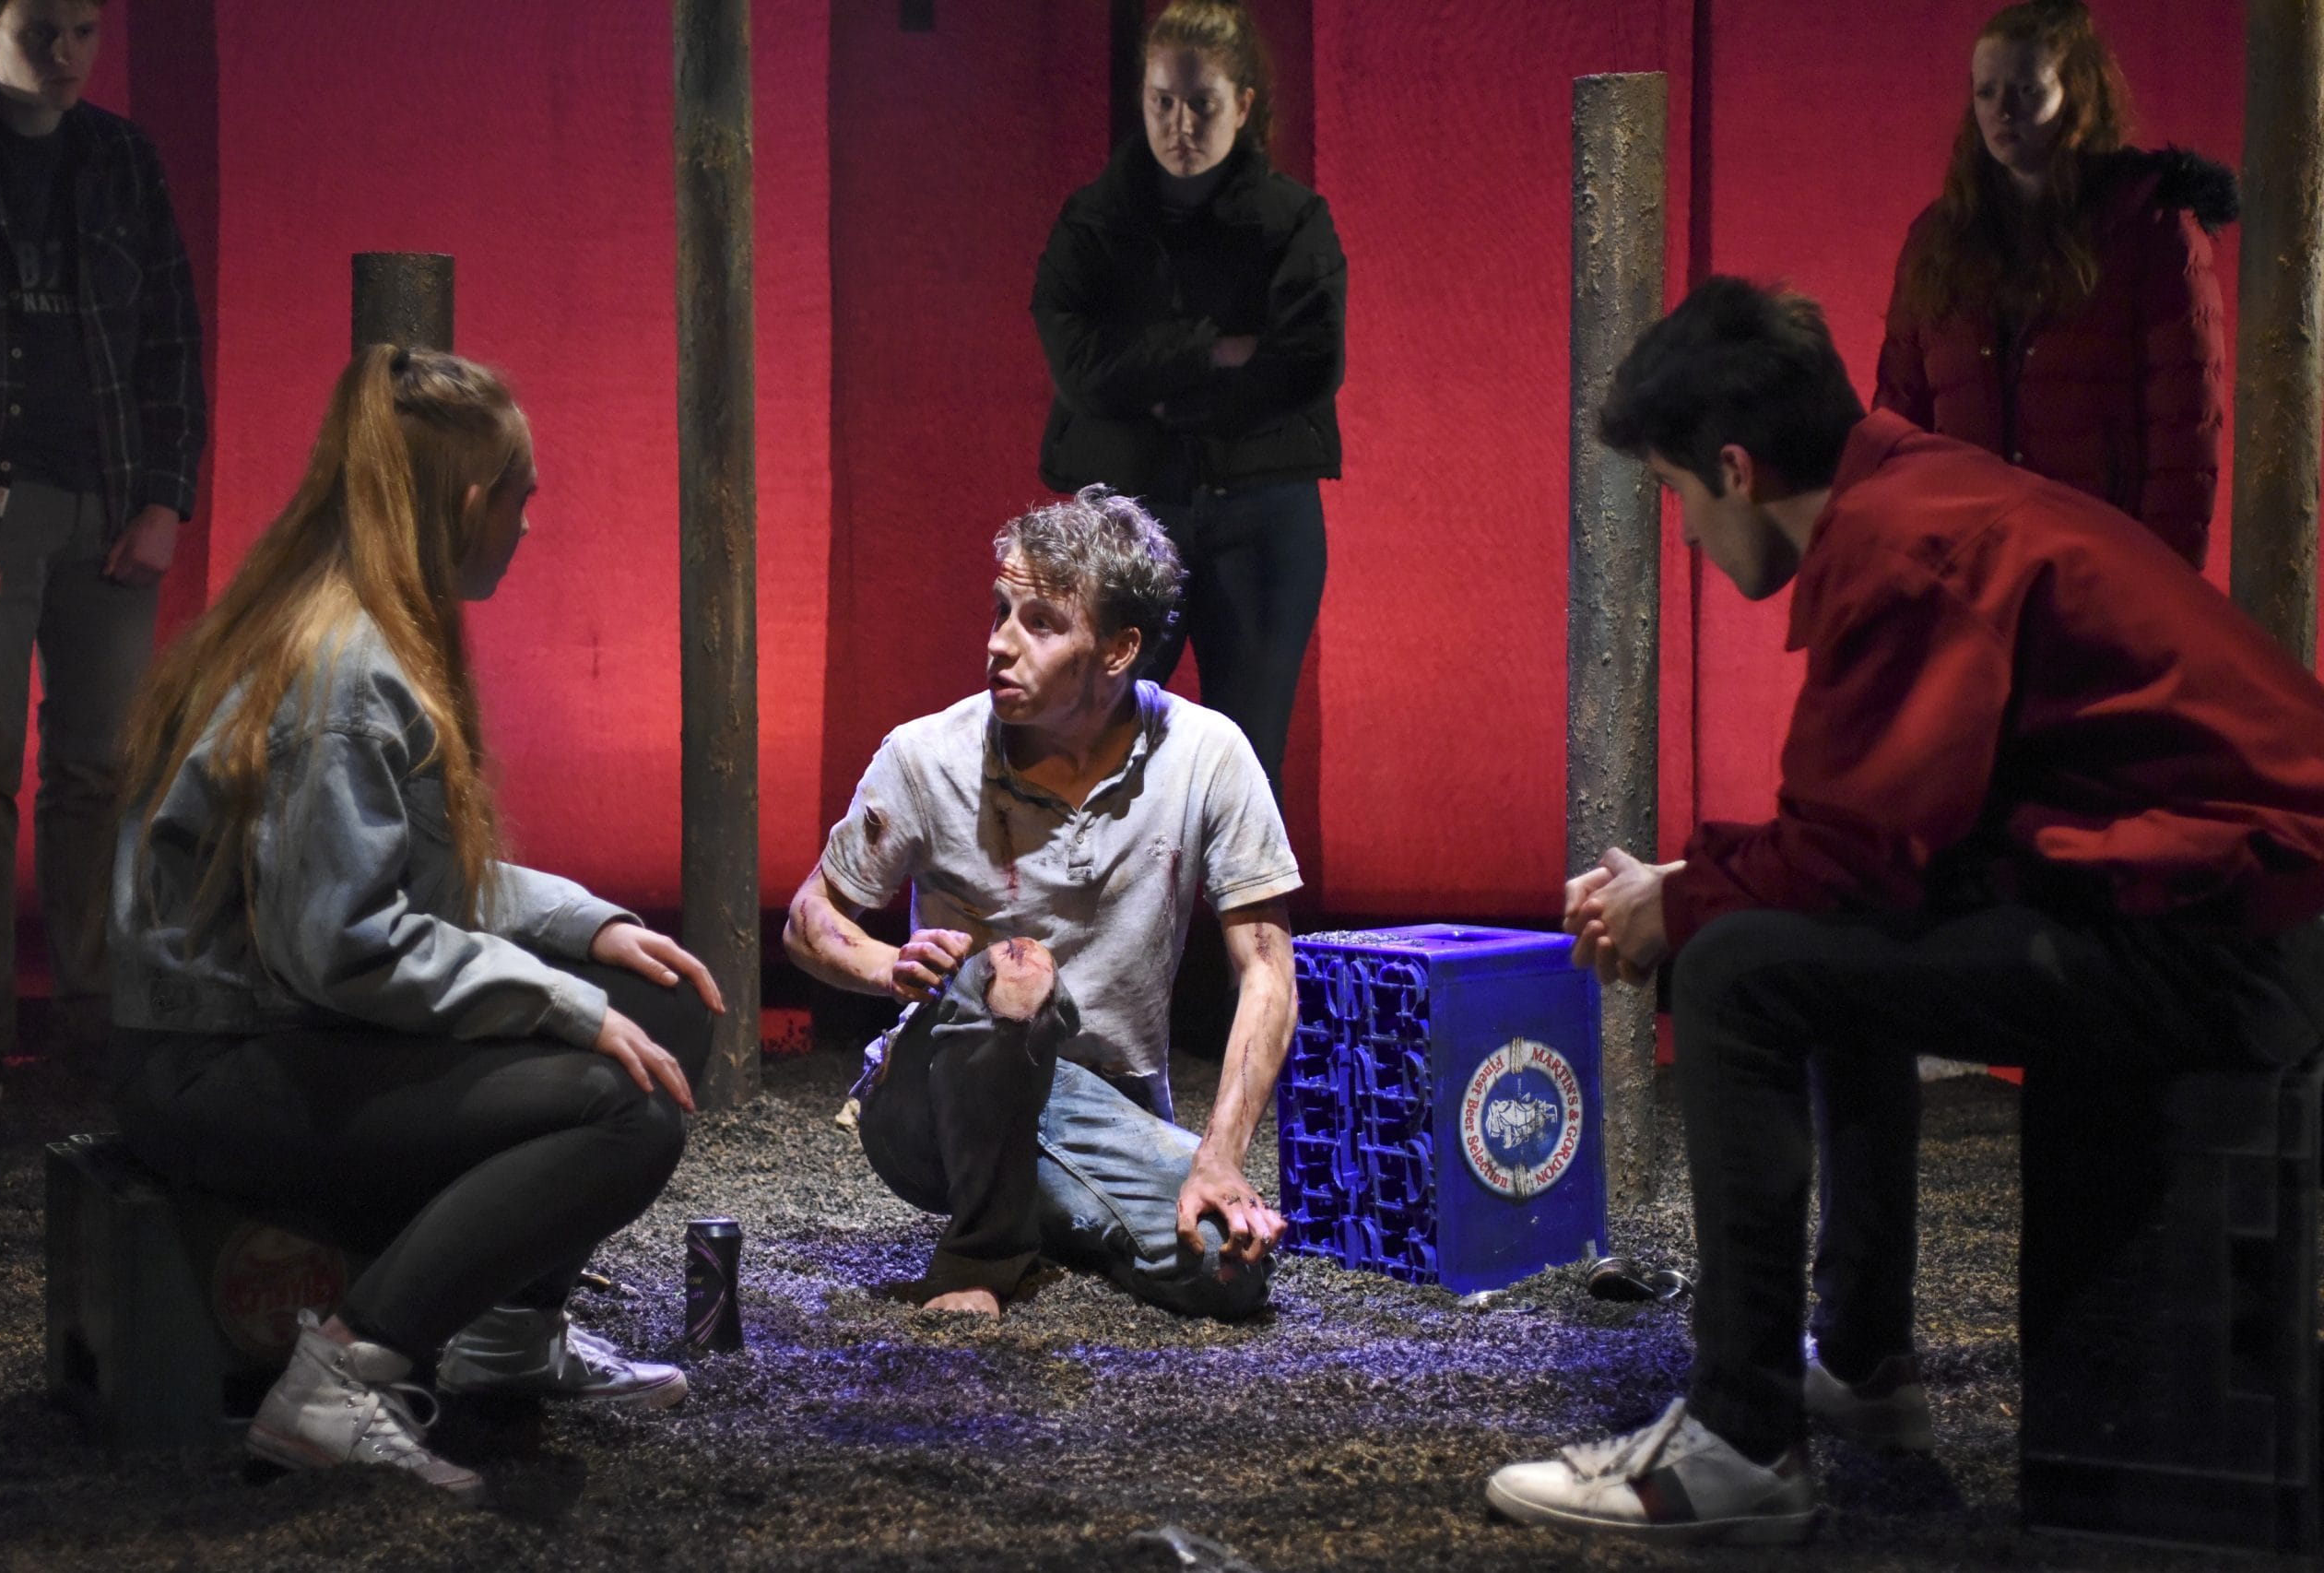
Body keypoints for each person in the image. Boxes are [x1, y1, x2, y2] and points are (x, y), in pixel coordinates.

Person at [1483, 278, 2324, 1544]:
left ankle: (1741, 1438)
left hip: (2235, 938)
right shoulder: (1917, 486)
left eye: (1676, 500)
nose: (1689, 536)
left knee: (1738, 972)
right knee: (1797, 942)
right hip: (2225, 909)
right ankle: (1865, 1363)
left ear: (1735, 467)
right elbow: (1884, 844)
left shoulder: (1904, 545)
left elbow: (1858, 854)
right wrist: (1693, 884)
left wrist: (1682, 907)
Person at [111, 347, 724, 1499]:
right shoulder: (343, 668)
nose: (530, 524)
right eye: (522, 494)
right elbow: (346, 944)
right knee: (625, 1116)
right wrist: (556, 1000)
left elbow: (408, 876)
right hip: (220, 1065)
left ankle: (501, 1331)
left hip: (292, 1021)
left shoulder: (372, 626)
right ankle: (342, 1378)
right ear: (468, 501)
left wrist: (584, 931)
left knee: (663, 1010)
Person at [784, 485, 1300, 1321]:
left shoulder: (1209, 755)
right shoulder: (927, 755)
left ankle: (1050, 1216)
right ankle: (977, 1256)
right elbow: (811, 920)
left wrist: (1221, 1156)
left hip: (1101, 1109)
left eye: (1040, 623)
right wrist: (889, 964)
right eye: (1000, 611)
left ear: (1119, 650)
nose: (998, 644)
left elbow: (1269, 972)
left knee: (1226, 1268)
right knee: (1017, 970)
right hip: (933, 1105)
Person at [0, 0, 205, 1108]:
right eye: (42, 31)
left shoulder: (121, 158)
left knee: (97, 773)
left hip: (105, 507)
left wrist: (163, 497)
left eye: (85, 32)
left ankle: (93, 1030)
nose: (66, 57)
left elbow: (168, 335)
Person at [1031, 0, 1343, 805]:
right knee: (1094, 753)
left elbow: (1305, 367)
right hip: (1128, 517)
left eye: (1202, 105)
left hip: (1263, 519)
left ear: (1243, 104)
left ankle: (1243, 934)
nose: (1180, 125)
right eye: (1162, 102)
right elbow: (1082, 372)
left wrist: (1160, 392)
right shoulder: (1093, 221)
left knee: (1249, 768)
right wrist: (1210, 351)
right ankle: (1097, 934)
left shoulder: (1293, 221)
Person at [1874, 0, 2234, 570]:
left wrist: (2159, 589)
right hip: (1968, 569)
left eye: (2026, 91)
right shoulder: (1939, 240)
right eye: (1986, 92)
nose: (2002, 112)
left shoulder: (2151, 229)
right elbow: (1899, 417)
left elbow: (2183, 437)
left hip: (2094, 570)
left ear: (2077, 96)